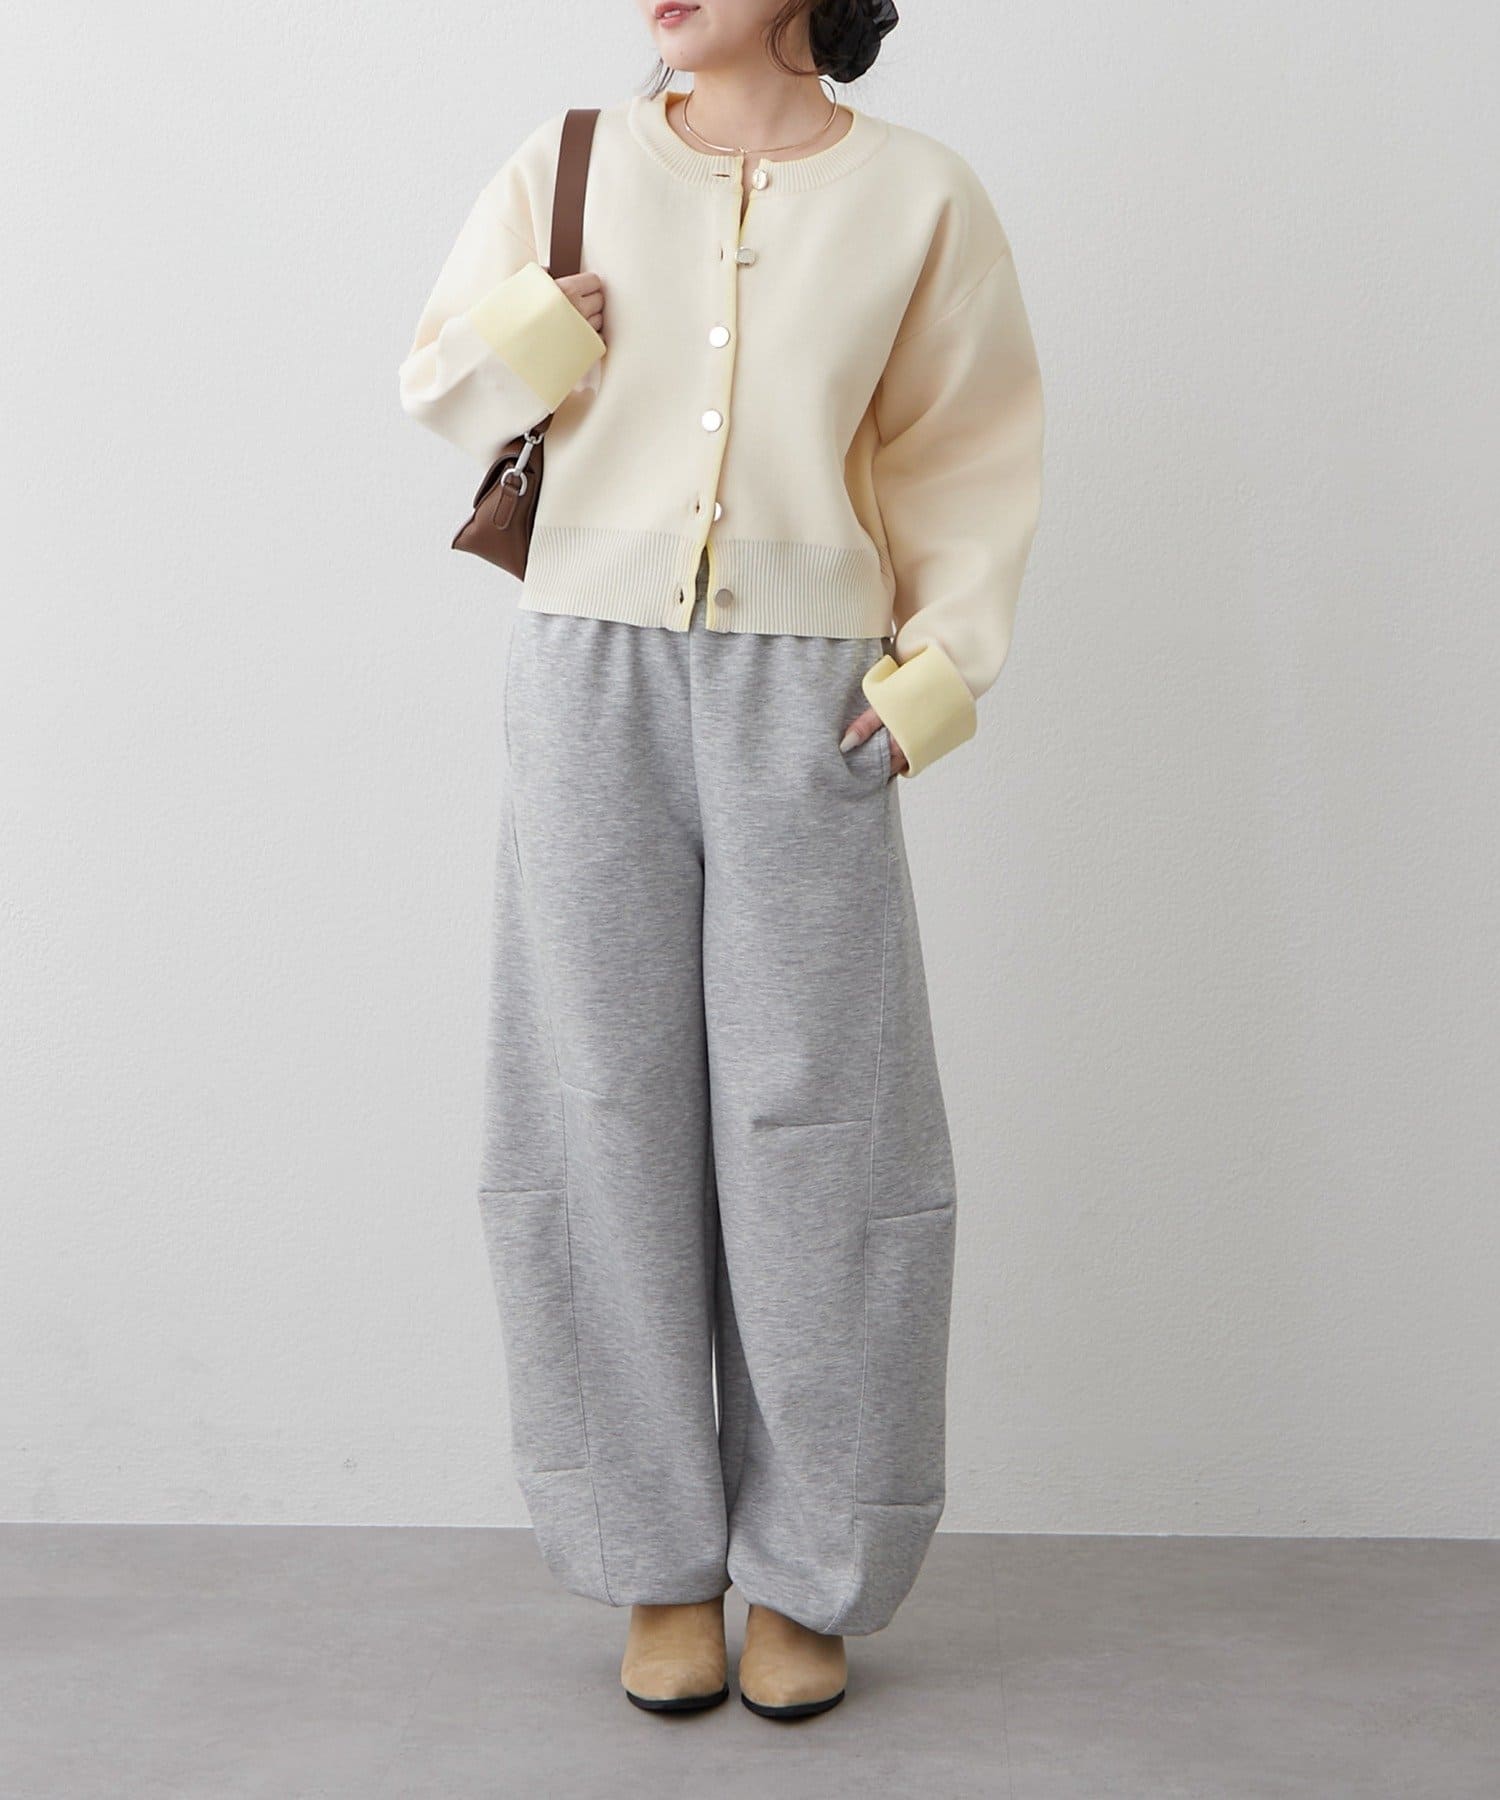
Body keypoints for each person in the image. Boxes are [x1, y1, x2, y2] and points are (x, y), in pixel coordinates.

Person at [397, 0, 1044, 1722]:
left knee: (819, 1121)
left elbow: (966, 449)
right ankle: (657, 1563)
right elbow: (438, 392)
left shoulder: (920, 196)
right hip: (586, 668)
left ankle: (814, 1567)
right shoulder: (568, 161)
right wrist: (544, 326)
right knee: (595, 1103)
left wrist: (936, 680)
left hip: (809, 691)